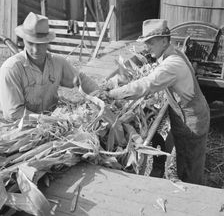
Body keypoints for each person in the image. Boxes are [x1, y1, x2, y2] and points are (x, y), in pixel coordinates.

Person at [107, 19, 210, 185]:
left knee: (191, 166)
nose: (147, 47)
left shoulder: (172, 63)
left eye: (151, 43)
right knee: (186, 158)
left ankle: (194, 197)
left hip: (191, 120)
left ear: (164, 40)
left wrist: (113, 93)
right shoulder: (174, 52)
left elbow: (147, 85)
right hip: (190, 114)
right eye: (145, 43)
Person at [0, 12, 93, 122]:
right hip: (20, 129)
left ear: (47, 41)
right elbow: (14, 114)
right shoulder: (11, 69)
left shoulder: (58, 63)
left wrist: (101, 97)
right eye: (30, 43)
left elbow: (81, 80)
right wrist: (50, 120)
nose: (35, 50)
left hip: (52, 124)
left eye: (40, 44)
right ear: (24, 40)